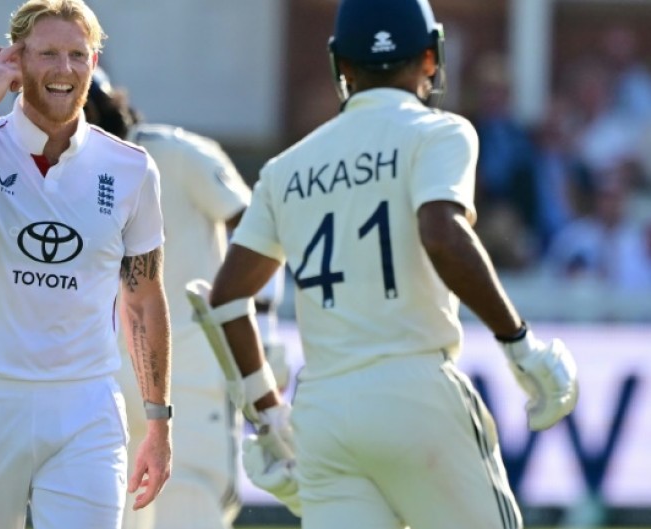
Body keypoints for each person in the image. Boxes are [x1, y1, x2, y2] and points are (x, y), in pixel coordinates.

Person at [194, 0, 579, 528]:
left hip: (324, 408)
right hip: (416, 389)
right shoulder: (440, 132)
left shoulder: (287, 168)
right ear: (430, 58)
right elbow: (442, 234)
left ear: (341, 67)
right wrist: (519, 343)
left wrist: (268, 414)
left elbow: (228, 298)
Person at [0, 2, 173, 528]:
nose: (64, 69)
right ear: (17, 60)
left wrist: (159, 422)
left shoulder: (131, 168)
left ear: (94, 61)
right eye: (48, 53)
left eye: (78, 54)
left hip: (85, 407)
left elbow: (143, 298)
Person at [83, 69, 257, 529]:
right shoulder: (68, 172)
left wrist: (257, 321)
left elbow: (256, 228)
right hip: (122, 371)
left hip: (183, 363)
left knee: (186, 503)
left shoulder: (177, 155)